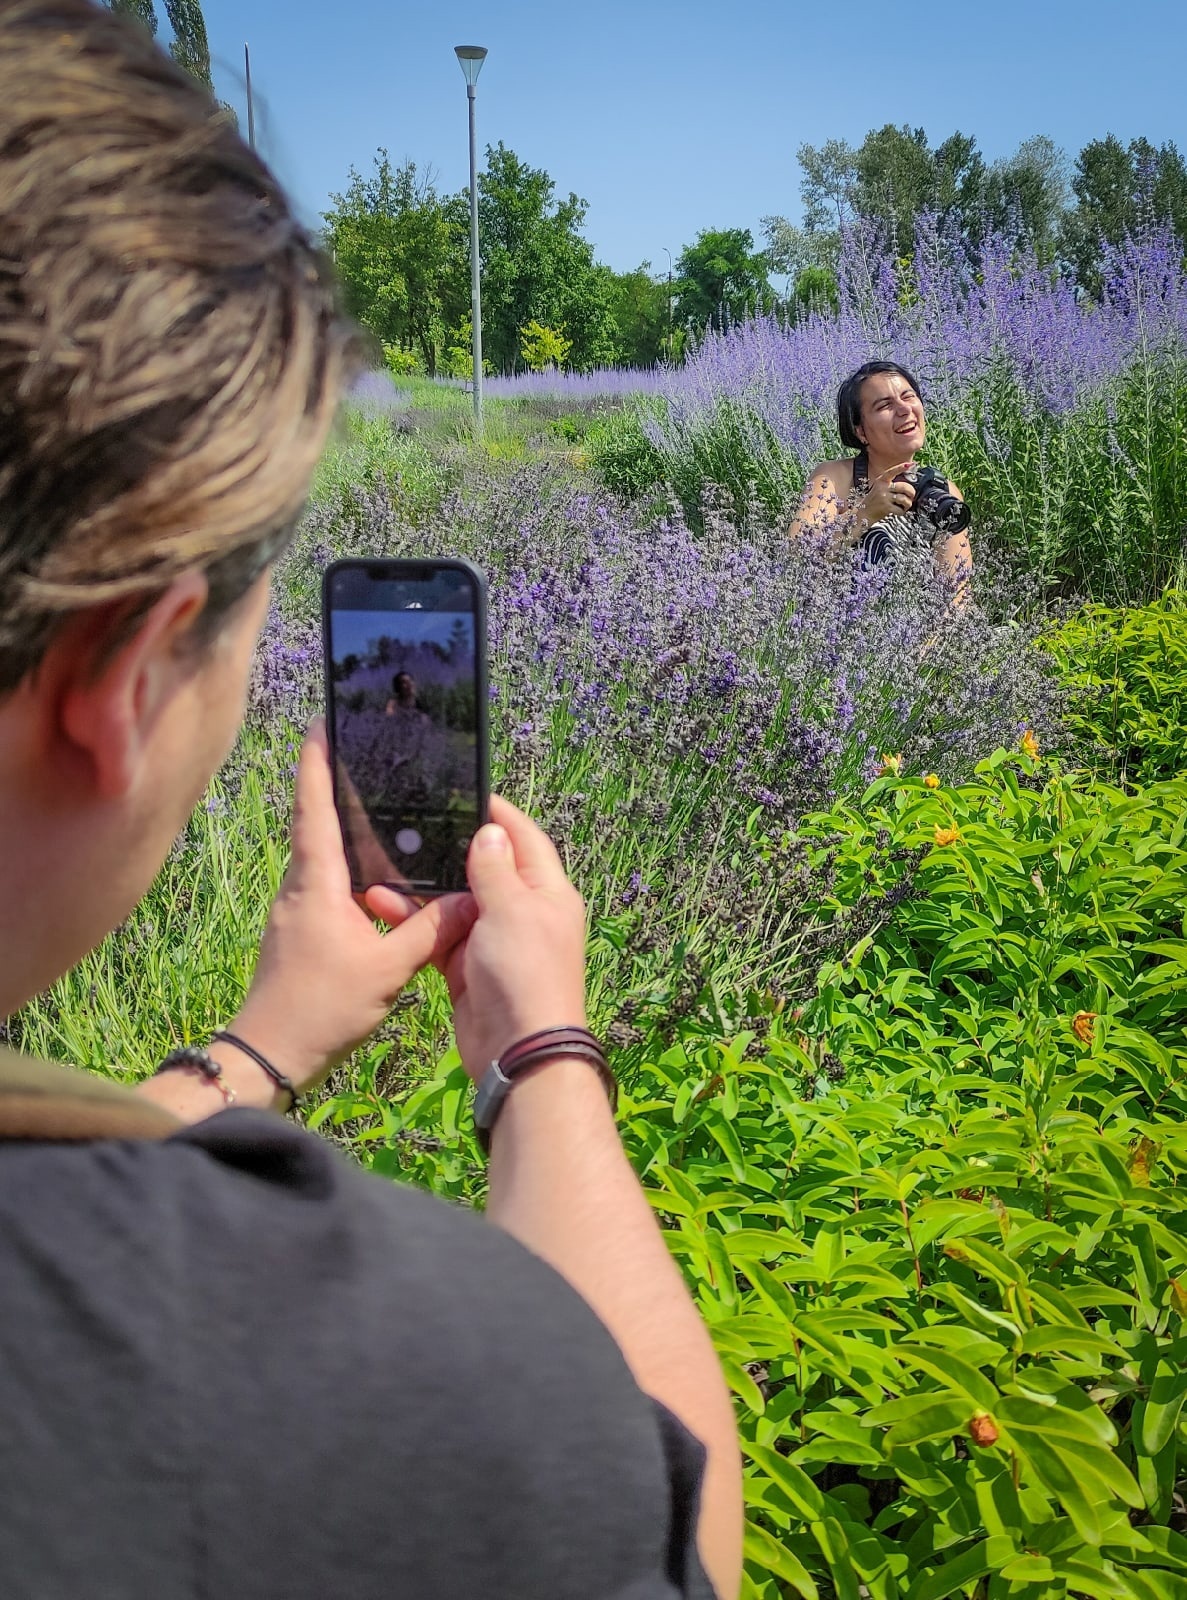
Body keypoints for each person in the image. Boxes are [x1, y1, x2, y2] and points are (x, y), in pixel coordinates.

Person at [0, 5, 742, 1598]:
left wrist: (260, 1046)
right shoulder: (254, 1336)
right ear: (124, 680)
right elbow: (663, 1523)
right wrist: (539, 1053)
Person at [789, 361, 973, 594]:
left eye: (908, 397)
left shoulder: (943, 493)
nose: (904, 409)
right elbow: (796, 559)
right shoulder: (834, 479)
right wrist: (865, 513)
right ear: (861, 431)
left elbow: (957, 596)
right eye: (885, 405)